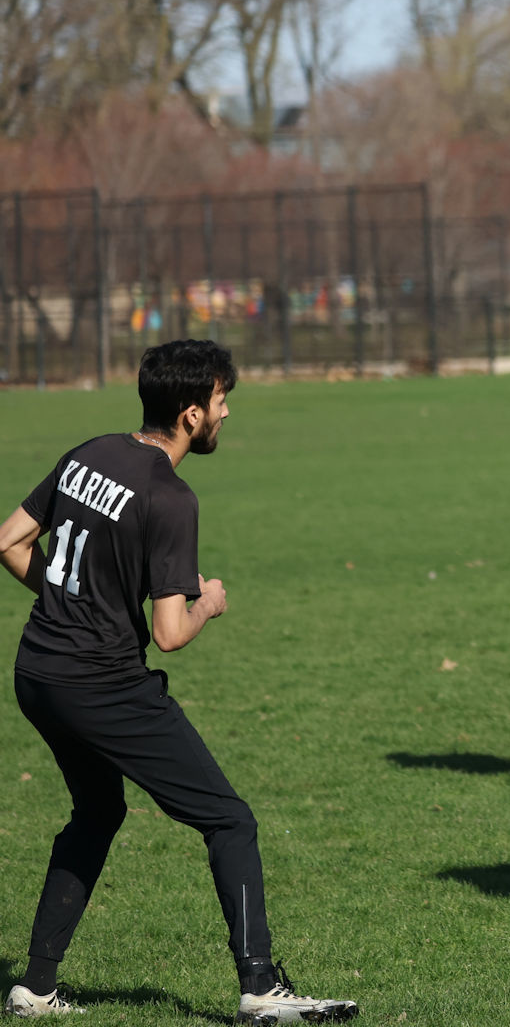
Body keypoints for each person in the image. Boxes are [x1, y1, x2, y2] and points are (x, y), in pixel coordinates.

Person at [0, 341, 356, 1023]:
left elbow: (10, 540)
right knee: (229, 819)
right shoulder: (170, 496)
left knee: (97, 813)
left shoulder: (89, 453)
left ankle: (35, 988)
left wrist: (71, 603)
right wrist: (208, 604)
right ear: (192, 413)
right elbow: (169, 634)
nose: (227, 413)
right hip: (102, 685)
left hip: (38, 672)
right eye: (222, 401)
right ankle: (260, 988)